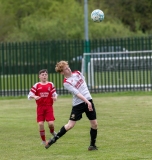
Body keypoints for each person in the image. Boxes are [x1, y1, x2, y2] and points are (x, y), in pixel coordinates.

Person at [45, 61, 98, 151]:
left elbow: (84, 86)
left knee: (94, 124)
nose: (68, 68)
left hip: (88, 100)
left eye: (68, 66)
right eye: (65, 68)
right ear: (62, 72)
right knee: (70, 125)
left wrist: (89, 101)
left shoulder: (78, 73)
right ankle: (53, 140)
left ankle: (92, 146)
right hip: (78, 104)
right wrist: (87, 102)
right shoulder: (66, 82)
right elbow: (77, 93)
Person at [28, 69, 58, 146]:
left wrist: (55, 97)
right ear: (39, 76)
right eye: (42, 75)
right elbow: (29, 95)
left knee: (51, 123)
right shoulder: (37, 85)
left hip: (49, 107)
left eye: (45, 74)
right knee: (41, 124)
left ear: (47, 76)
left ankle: (52, 131)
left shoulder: (50, 84)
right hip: (40, 107)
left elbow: (55, 94)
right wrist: (34, 96)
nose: (44, 76)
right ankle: (44, 140)